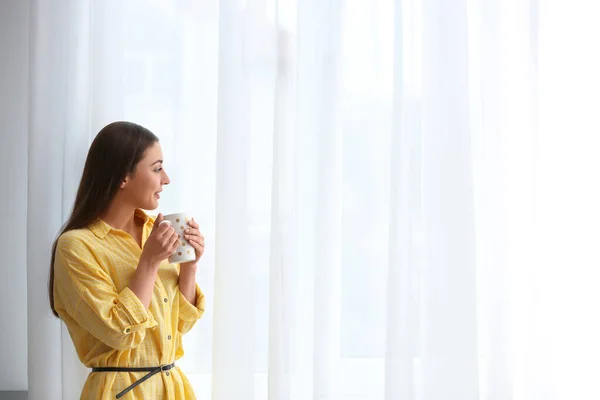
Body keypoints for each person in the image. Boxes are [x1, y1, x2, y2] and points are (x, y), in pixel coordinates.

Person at [48, 121, 205, 399]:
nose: (166, 179)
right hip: (121, 392)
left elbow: (180, 325)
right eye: (157, 169)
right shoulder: (76, 247)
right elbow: (119, 333)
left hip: (173, 389)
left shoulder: (153, 233)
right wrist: (148, 263)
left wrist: (189, 265)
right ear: (123, 176)